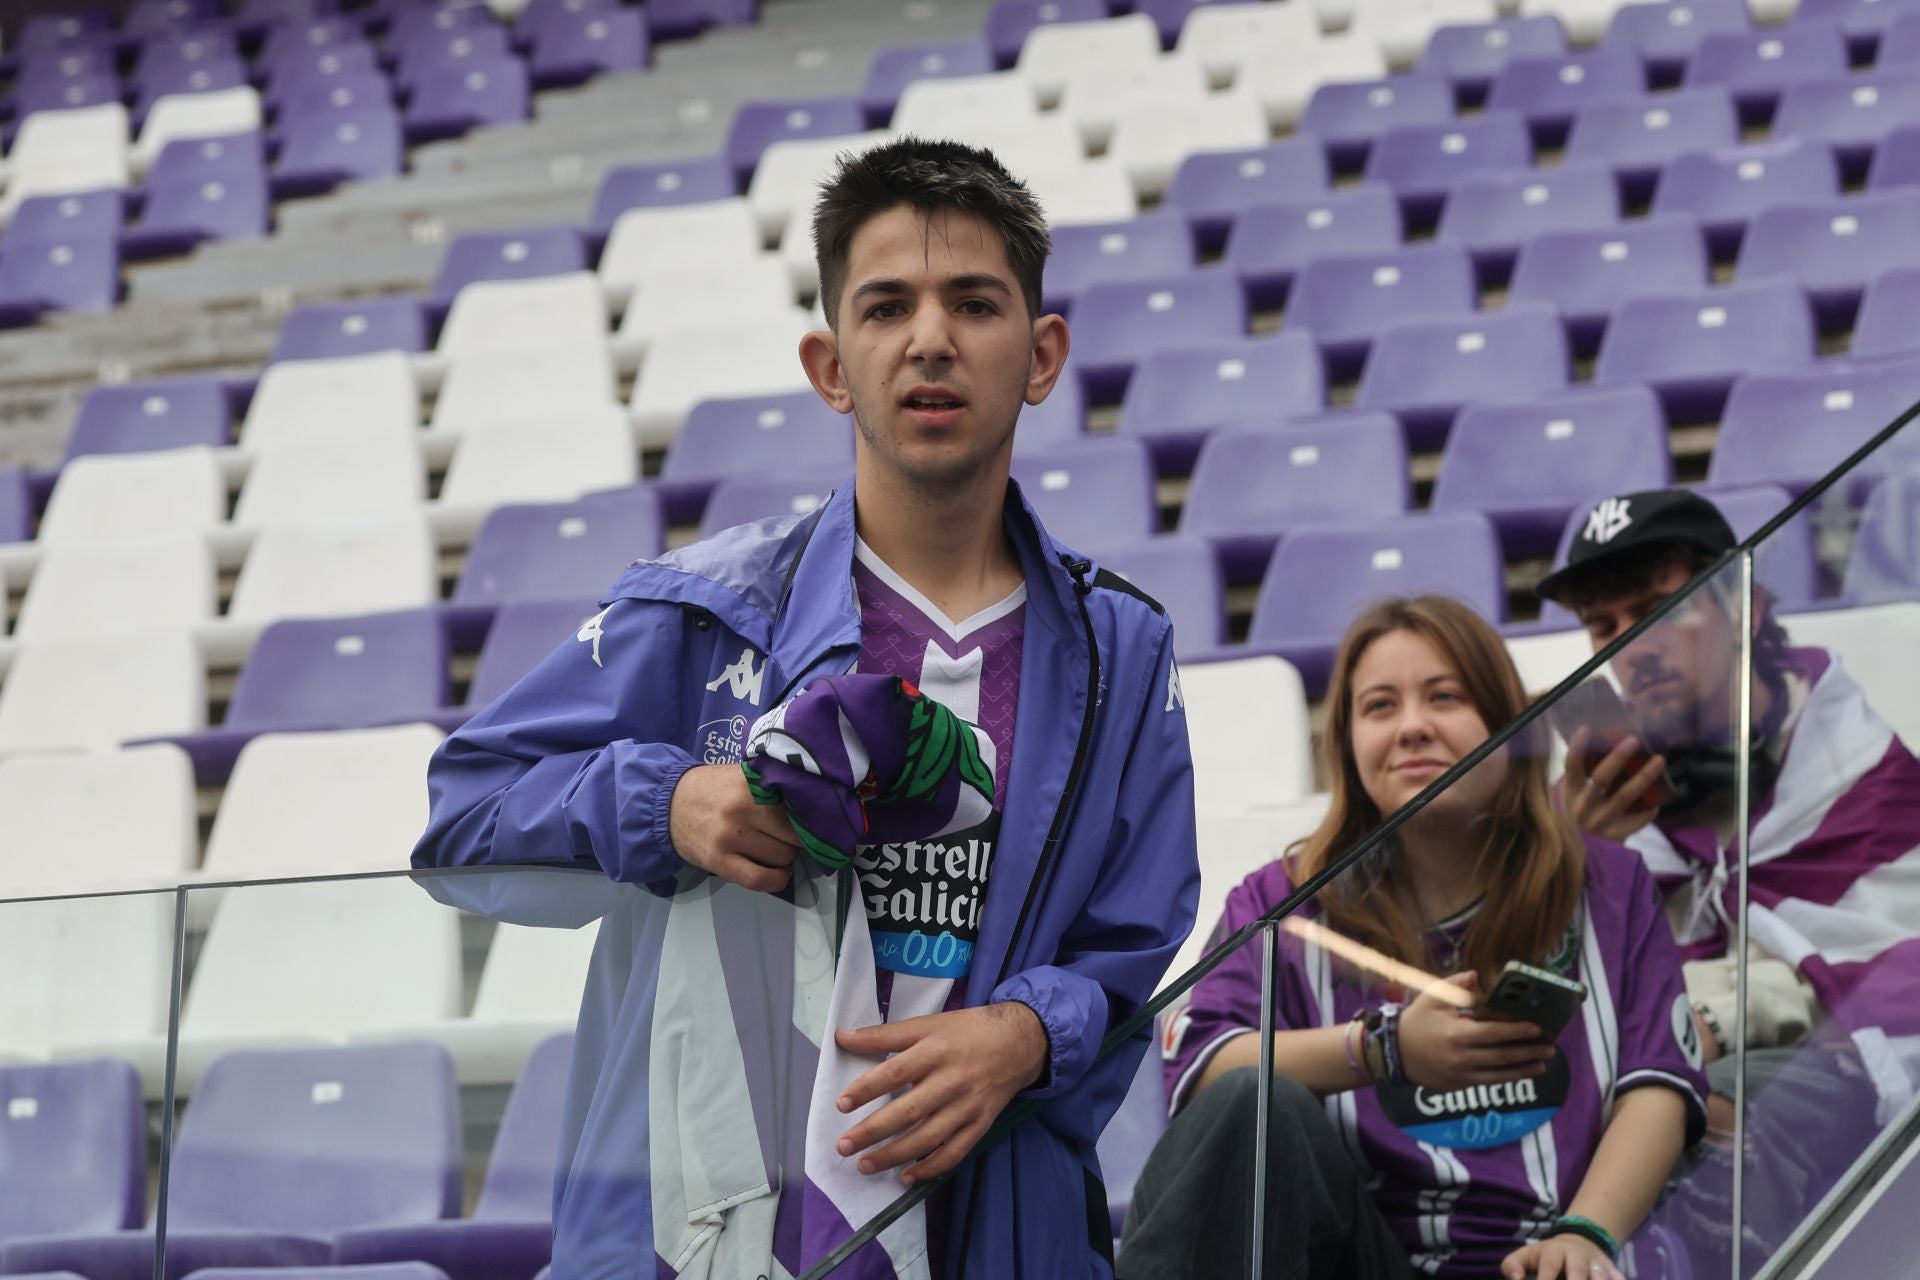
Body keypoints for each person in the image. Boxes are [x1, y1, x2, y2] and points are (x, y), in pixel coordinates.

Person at [411, 136, 1199, 1280]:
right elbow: (461, 817)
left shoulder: (1122, 646)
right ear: (832, 365)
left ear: (1041, 354)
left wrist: (1026, 1034)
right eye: (887, 307)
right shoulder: (706, 614)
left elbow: (1136, 938)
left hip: (995, 1232)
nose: (930, 338)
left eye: (974, 303)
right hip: (712, 1234)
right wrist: (671, 800)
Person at [1122, 596, 1705, 1280]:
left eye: (1445, 696)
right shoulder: (1281, 902)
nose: (1412, 728)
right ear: (1345, 745)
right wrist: (1382, 1048)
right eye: (1378, 707)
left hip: (1549, 1262)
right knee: (1254, 1102)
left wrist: (1587, 1234)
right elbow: (1207, 1072)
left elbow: (1657, 1080)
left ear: (1509, 725)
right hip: (1363, 1261)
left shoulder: (1610, 881)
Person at [1537, 488, 1920, 1265]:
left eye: (1656, 607)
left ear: (1741, 607)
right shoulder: (1594, 803)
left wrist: (1701, 1015)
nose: (1628, 646)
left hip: (1817, 1073)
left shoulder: (1857, 775)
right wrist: (1571, 865)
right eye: (1602, 627)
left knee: (1696, 1115)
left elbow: (1891, 972)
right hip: (1659, 1071)